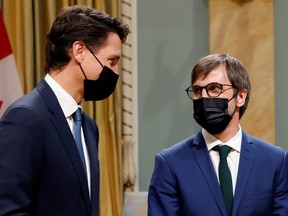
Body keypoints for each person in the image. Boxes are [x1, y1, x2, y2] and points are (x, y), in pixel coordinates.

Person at [0, 5, 129, 215]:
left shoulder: (88, 126)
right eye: (111, 61)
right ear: (79, 51)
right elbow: (8, 210)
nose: (115, 73)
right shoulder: (25, 118)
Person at [148, 54, 288, 216]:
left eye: (214, 88)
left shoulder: (276, 162)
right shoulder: (170, 164)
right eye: (197, 90)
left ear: (240, 96)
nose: (204, 97)